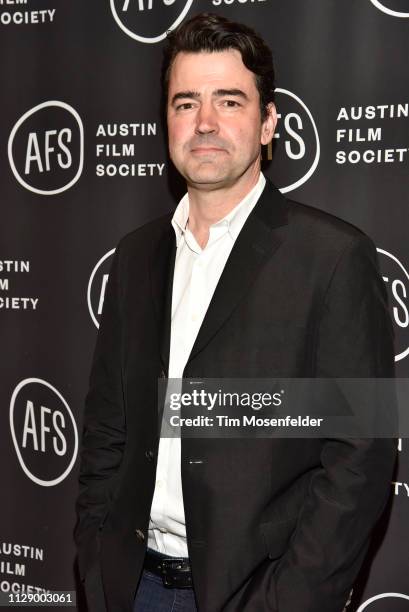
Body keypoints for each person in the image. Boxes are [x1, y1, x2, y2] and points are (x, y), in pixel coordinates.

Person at [75, 12, 397, 612]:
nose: (204, 123)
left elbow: (364, 451)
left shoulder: (333, 257)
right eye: (185, 102)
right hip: (130, 586)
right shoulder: (136, 255)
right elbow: (106, 431)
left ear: (268, 122)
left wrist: (292, 598)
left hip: (256, 592)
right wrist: (97, 564)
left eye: (229, 101)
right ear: (166, 122)